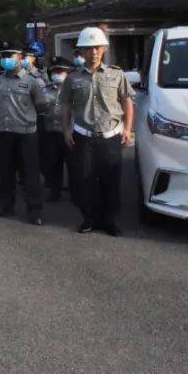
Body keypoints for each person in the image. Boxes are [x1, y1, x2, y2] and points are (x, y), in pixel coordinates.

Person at [60, 27, 134, 236]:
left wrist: (128, 129)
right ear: (81, 52)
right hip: (83, 136)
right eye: (88, 48)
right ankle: (89, 219)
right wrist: (66, 130)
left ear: (104, 49)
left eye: (97, 48)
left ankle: (109, 221)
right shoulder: (72, 78)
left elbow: (127, 101)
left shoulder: (116, 74)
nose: (93, 52)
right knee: (85, 180)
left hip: (110, 136)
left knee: (110, 180)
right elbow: (65, 105)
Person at [0, 45, 47, 225]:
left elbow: (42, 106)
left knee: (30, 174)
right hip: (4, 132)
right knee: (6, 172)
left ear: (20, 57)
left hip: (26, 133)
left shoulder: (32, 81)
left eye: (10, 55)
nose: (6, 59)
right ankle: (5, 206)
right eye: (3, 55)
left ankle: (34, 211)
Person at [39, 56, 74, 203]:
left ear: (67, 73)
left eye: (61, 71)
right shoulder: (45, 89)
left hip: (69, 132)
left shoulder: (73, 90)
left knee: (73, 164)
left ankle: (75, 191)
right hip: (51, 131)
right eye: (55, 71)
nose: (57, 74)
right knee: (53, 163)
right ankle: (55, 190)